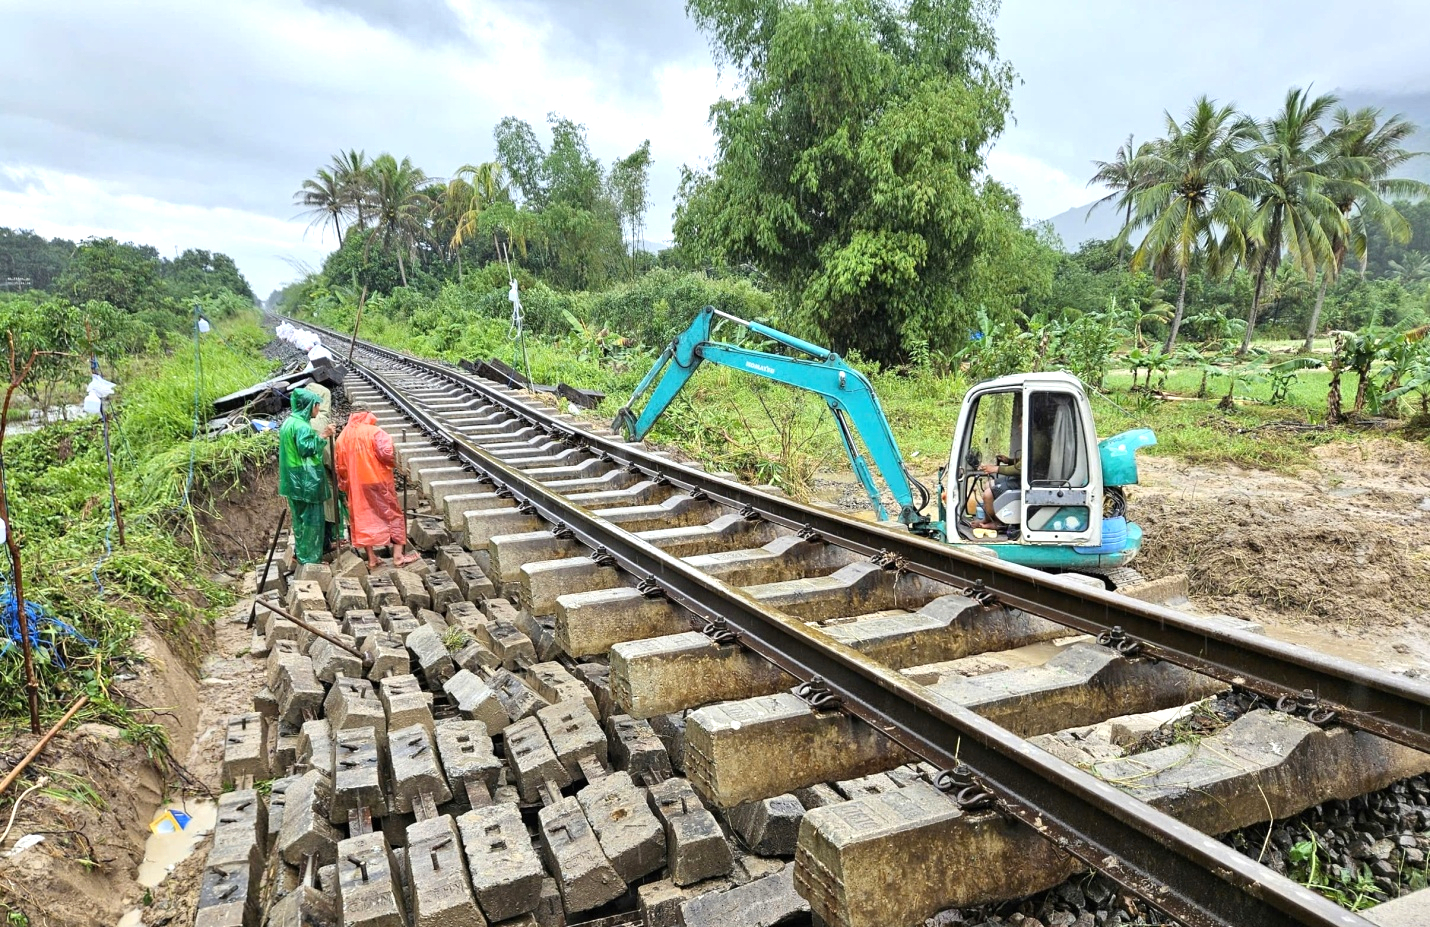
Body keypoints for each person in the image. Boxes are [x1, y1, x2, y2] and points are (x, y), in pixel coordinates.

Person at [334, 407, 417, 568]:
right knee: (393, 515)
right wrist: (399, 462)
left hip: (357, 484)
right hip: (377, 480)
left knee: (362, 517)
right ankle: (398, 557)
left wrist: (345, 485)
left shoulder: (342, 437)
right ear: (367, 414)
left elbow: (340, 467)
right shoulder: (375, 432)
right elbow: (387, 454)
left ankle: (372, 558)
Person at [279, 389, 335, 564]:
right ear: (309, 406)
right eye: (316, 405)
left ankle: (302, 555)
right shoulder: (302, 426)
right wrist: (324, 435)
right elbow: (306, 449)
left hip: (292, 479)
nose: (318, 409)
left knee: (300, 521)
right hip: (306, 480)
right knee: (312, 521)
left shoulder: (289, 422)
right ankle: (311, 560)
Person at [973, 453, 1021, 531]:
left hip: (1026, 481)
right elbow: (1023, 462)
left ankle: (996, 523)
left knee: (988, 494)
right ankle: (991, 519)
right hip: (1019, 478)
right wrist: (1009, 461)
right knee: (988, 484)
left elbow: (1021, 468)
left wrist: (996, 469)